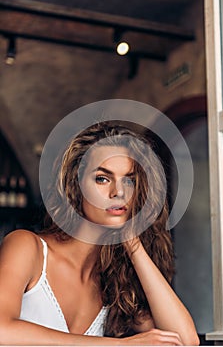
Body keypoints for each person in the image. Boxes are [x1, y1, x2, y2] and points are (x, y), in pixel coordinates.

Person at [0, 121, 199, 345]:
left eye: (129, 180)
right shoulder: (27, 247)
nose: (119, 192)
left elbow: (185, 340)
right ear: (75, 185)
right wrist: (120, 345)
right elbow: (2, 331)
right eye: (102, 178)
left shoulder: (115, 280)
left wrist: (133, 244)